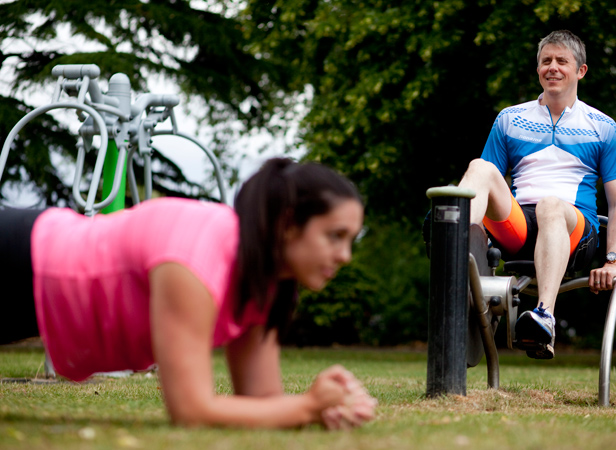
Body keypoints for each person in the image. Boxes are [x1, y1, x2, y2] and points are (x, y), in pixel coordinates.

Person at [0, 157, 376, 430]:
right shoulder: (196, 258)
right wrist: (306, 407)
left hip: (31, 296)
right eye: (335, 236)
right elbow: (191, 411)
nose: (345, 256)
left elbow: (263, 402)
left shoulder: (264, 284)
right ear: (289, 222)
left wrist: (321, 408)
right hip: (17, 260)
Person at [457, 30, 616, 359]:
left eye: (561, 61)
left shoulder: (603, 126)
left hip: (575, 232)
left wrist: (613, 259)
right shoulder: (510, 119)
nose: (552, 67)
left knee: (551, 205)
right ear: (537, 69)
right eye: (545, 61)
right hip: (519, 228)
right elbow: (486, 181)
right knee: (479, 167)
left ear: (580, 70)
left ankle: (544, 317)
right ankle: (454, 253)